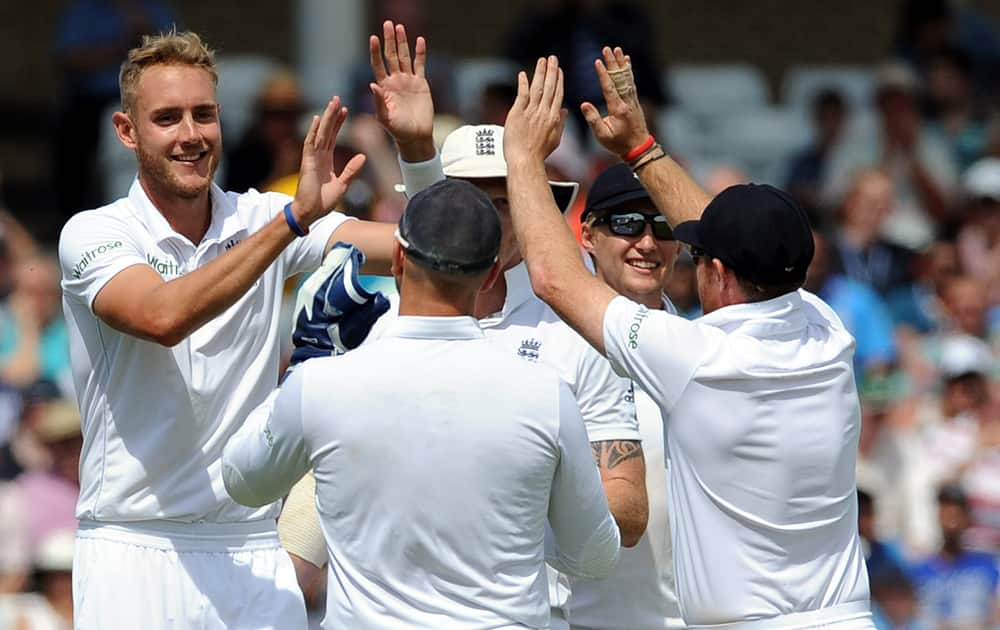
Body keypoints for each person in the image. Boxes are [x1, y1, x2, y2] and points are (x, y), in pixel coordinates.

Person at [276, 23, 647, 628]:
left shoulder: (577, 328)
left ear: (536, 204)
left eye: (504, 201)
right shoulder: (384, 322)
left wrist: (502, 485)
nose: (482, 222)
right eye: (467, 200)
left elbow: (626, 512)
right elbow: (321, 476)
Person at [502, 49, 874, 628]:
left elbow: (555, 279)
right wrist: (640, 149)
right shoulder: (827, 330)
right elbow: (731, 238)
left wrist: (522, 159)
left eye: (697, 252)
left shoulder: (698, 360)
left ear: (718, 273)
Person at [57, 30, 394, 628]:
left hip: (253, 547)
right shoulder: (93, 231)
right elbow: (161, 317)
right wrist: (291, 222)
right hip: (131, 547)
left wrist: (414, 150)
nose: (191, 135)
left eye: (203, 115)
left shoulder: (261, 216)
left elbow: (416, 252)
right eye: (167, 118)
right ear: (126, 131)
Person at [223, 178, 621, 629]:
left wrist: (305, 361)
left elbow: (242, 481)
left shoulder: (323, 382)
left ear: (396, 258)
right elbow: (594, 556)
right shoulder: (545, 393)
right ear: (491, 273)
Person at [568, 163, 684, 630]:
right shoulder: (553, 349)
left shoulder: (705, 351)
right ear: (588, 235)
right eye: (626, 223)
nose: (648, 242)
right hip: (574, 619)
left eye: (662, 225)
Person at [910, 485, 1000, 630]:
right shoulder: (919, 569)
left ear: (967, 519)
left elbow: (996, 614)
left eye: (956, 516)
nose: (951, 523)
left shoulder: (988, 566)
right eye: (946, 516)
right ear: (938, 517)